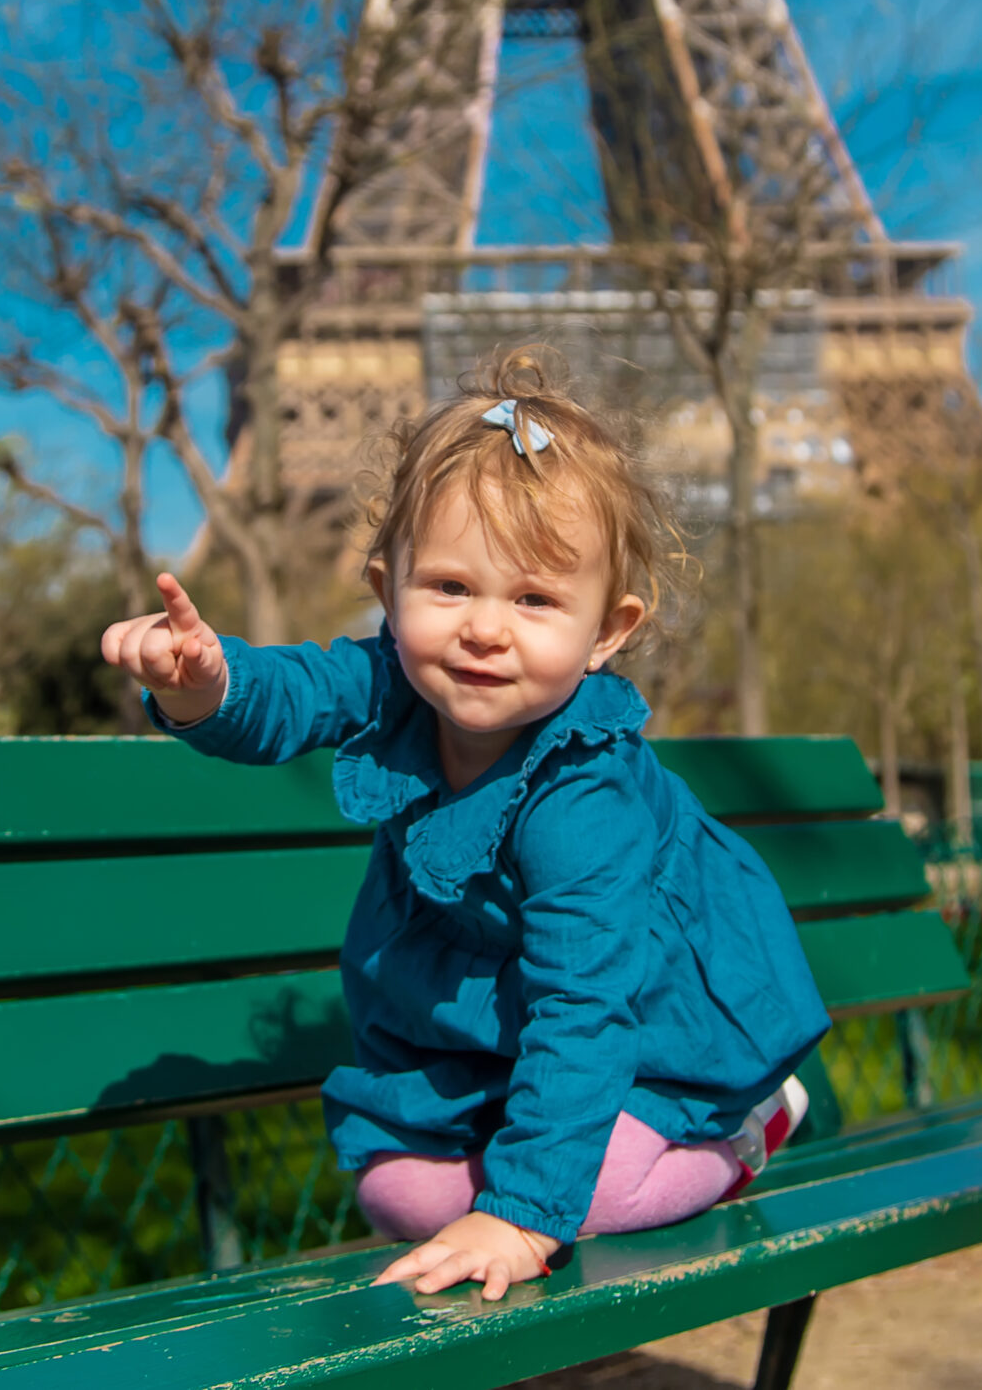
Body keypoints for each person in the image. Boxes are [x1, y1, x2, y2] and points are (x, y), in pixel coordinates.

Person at [100, 355, 827, 1300]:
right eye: (449, 586)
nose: (485, 628)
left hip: (643, 1014)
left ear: (607, 631)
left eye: (534, 599)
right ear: (386, 586)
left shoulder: (584, 798)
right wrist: (203, 684)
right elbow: (291, 693)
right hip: (488, 1026)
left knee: (586, 1190)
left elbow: (583, 1005)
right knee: (400, 1193)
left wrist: (523, 1212)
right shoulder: (394, 682)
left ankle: (743, 1129)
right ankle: (530, 1174)